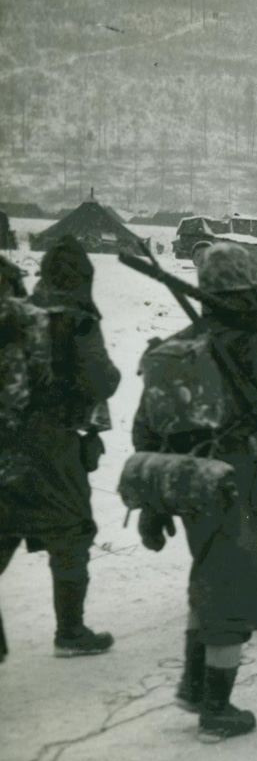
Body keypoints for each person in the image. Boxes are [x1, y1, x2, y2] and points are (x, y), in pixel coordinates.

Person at [133, 243, 257, 740]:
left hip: (192, 482)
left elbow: (145, 429)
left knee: (212, 577)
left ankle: (195, 686)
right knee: (235, 592)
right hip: (247, 483)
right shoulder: (256, 344)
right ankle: (216, 711)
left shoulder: (181, 343)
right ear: (251, 284)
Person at [1, 240, 121, 664]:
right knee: (71, 532)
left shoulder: (18, 310)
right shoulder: (77, 318)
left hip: (6, 437)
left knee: (4, 527)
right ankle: (70, 632)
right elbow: (101, 382)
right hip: (54, 443)